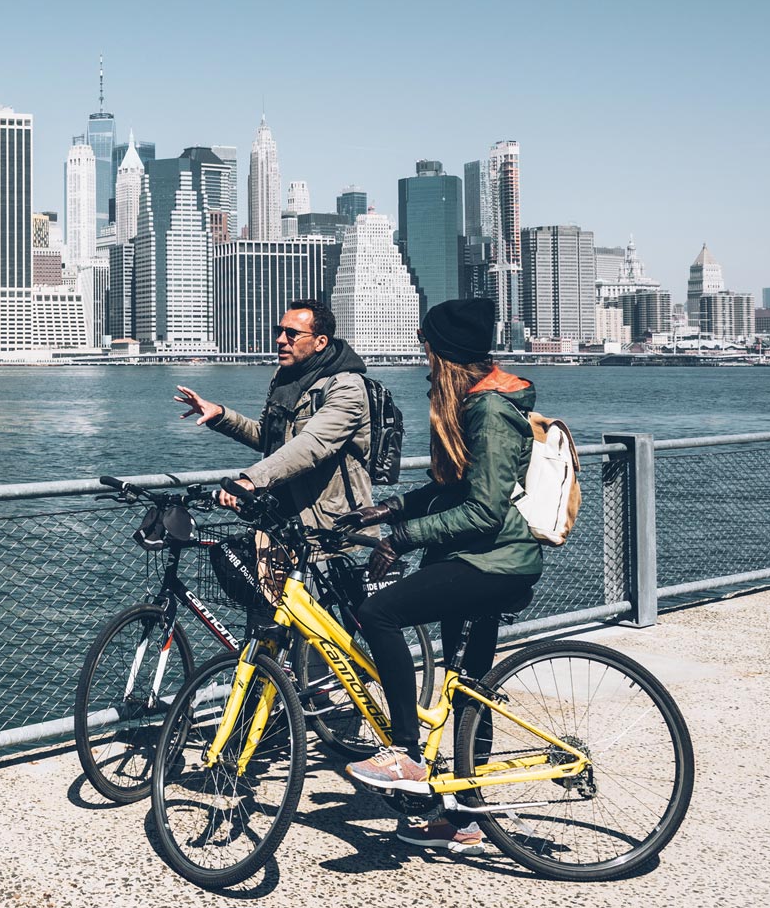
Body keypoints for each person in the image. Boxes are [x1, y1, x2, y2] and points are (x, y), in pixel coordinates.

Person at [339, 296, 543, 857]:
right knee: (467, 691)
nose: (423, 360)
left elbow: (484, 510)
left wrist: (401, 539)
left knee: (379, 612)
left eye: (426, 349)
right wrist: (394, 509)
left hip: (492, 562)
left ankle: (404, 751)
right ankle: (466, 819)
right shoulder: (478, 403)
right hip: (474, 559)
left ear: (441, 352)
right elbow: (455, 489)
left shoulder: (490, 411)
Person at [174, 299, 373, 535]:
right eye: (279, 331)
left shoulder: (346, 386)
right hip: (277, 517)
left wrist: (252, 479)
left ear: (320, 342)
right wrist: (220, 415)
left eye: (291, 334)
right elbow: (267, 438)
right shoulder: (285, 377)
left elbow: (314, 445)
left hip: (327, 524)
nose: (280, 340)